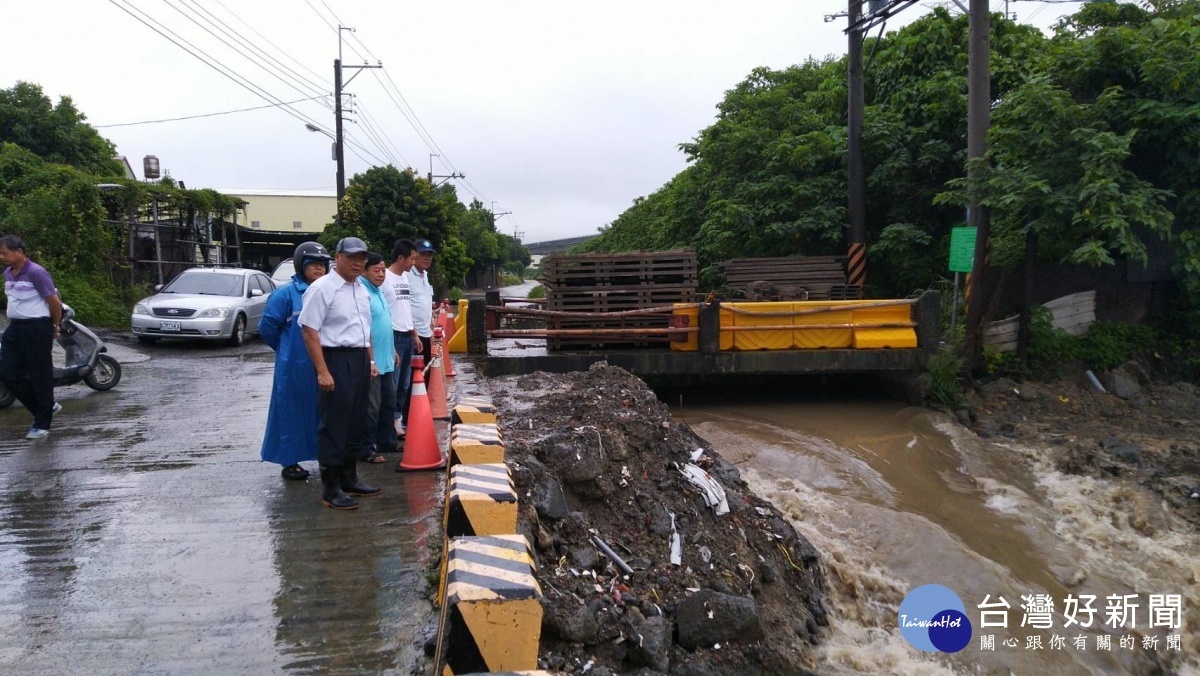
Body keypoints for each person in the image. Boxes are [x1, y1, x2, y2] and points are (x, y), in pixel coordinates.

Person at [298, 237, 381, 510]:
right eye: (353, 257)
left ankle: (349, 478)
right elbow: (309, 330)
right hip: (335, 358)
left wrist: (369, 362)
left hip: (358, 358)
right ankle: (330, 488)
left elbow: (363, 328)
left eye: (362, 258)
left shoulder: (360, 289)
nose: (359, 263)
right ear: (338, 257)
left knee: (356, 421)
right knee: (334, 424)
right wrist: (322, 370)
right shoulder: (323, 289)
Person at [259, 242, 330, 481]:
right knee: (289, 412)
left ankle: (323, 455)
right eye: (313, 265)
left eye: (322, 265)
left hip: (322, 362)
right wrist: (286, 351)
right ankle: (289, 461)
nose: (319, 269)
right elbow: (267, 328)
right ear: (302, 266)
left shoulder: (327, 291)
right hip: (293, 366)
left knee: (320, 412)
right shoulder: (285, 294)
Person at [0, 235, 63, 440]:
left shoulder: (37, 273)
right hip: (15, 328)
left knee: (40, 375)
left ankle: (42, 423)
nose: (2, 257)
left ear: (19, 252)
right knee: (7, 371)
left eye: (5, 253)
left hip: (37, 327)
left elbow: (54, 302)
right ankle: (45, 407)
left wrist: (54, 326)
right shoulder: (8, 273)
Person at [358, 252, 397, 463]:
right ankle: (366, 449)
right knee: (371, 407)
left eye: (383, 270)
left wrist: (393, 350)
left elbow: (384, 324)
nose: (381, 274)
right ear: (365, 270)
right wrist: (371, 360)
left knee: (388, 403)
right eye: (376, 270)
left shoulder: (378, 291)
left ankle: (387, 441)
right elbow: (365, 330)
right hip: (372, 362)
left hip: (387, 358)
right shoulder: (362, 291)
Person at [384, 239, 420, 438]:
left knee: (405, 384)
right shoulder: (385, 278)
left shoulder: (405, 279)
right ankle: (389, 425)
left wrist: (414, 333)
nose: (413, 263)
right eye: (412, 259)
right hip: (394, 338)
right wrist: (390, 344)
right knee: (393, 383)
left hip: (407, 336)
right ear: (401, 258)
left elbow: (406, 308)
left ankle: (397, 421)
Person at [407, 239, 437, 364]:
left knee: (425, 376)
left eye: (429, 255)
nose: (427, 258)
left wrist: (431, 333)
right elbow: (404, 306)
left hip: (425, 334)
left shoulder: (425, 274)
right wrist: (414, 334)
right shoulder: (406, 275)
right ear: (414, 255)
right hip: (413, 336)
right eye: (423, 254)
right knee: (414, 377)